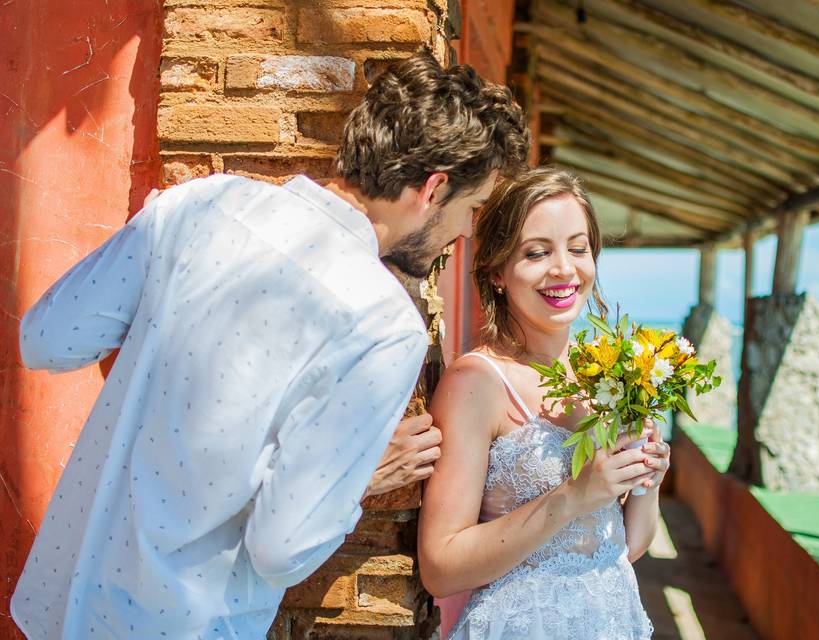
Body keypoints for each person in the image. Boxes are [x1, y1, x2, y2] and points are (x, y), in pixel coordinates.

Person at [11, 52, 529, 638]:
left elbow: (47, 340)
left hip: (64, 601)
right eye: (472, 208)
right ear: (433, 189)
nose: (465, 232)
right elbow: (281, 547)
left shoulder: (199, 203)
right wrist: (354, 480)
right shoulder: (385, 325)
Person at [418, 167, 666, 639]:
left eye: (577, 248)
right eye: (537, 252)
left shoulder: (605, 376)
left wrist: (645, 480)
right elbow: (440, 567)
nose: (564, 269)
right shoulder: (477, 382)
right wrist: (571, 496)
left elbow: (623, 547)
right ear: (496, 271)